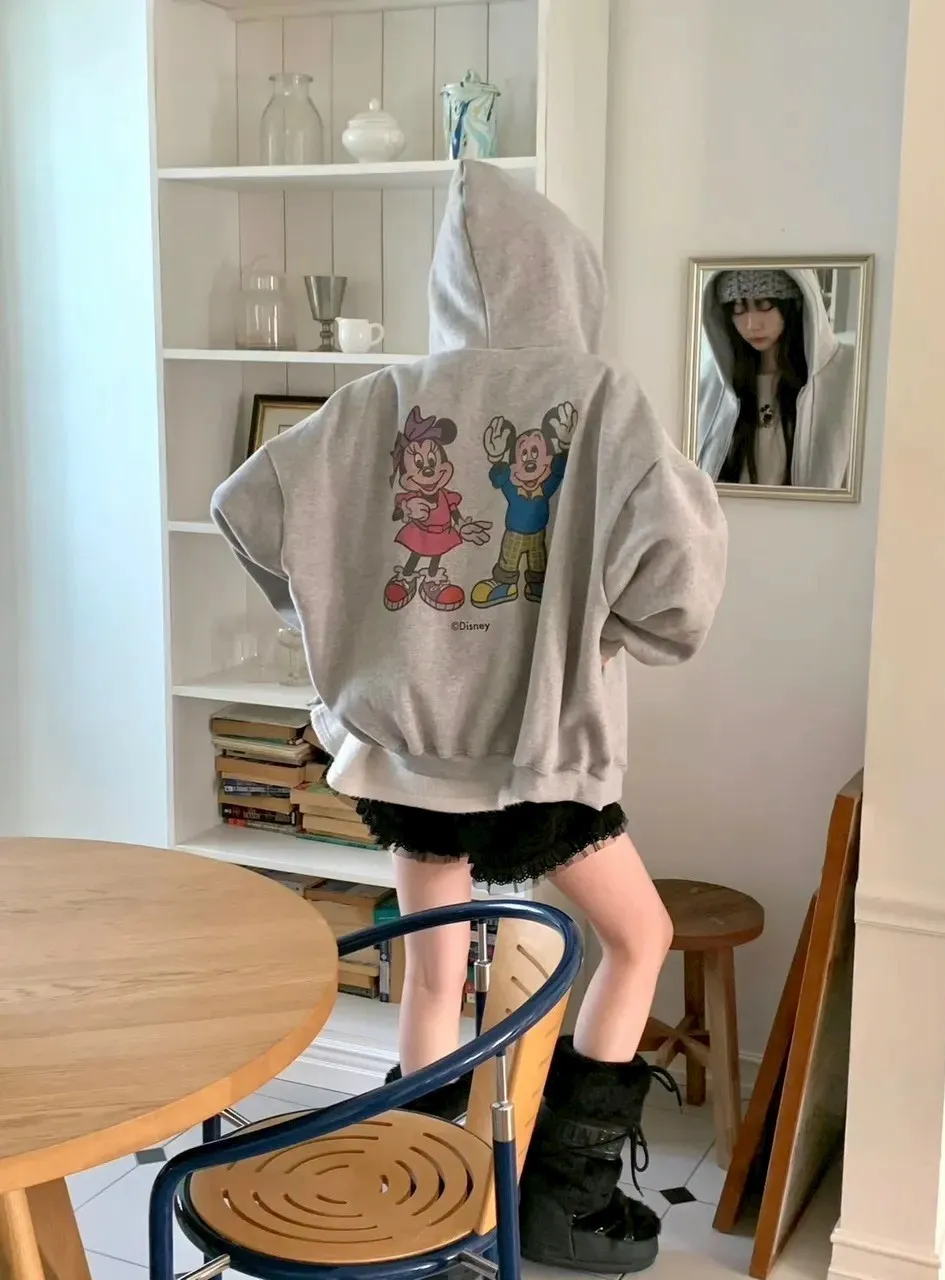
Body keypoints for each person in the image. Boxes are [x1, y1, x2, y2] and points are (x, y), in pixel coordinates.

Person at [211, 160, 727, 1274]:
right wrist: (609, 625)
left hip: (405, 760)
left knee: (435, 972)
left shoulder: (381, 397)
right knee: (637, 937)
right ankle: (567, 1196)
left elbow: (246, 507)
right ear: (567, 276)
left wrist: (333, 623)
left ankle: (421, 1195)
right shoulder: (600, 398)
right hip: (536, 757)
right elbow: (681, 583)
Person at [697, 267, 857, 488]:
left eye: (764, 305)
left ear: (795, 302)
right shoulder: (711, 384)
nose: (752, 324)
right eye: (738, 309)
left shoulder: (848, 374)